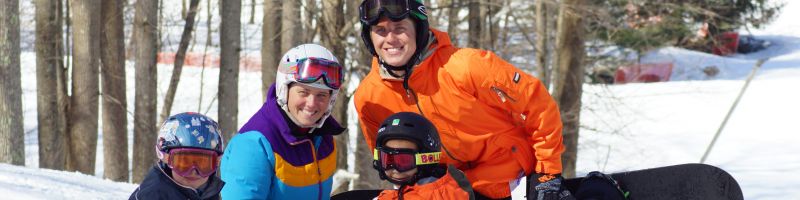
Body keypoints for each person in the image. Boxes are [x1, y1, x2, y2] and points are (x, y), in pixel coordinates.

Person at [353, 0, 571, 199]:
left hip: (515, 181)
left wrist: (547, 173)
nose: (390, 39)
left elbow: (537, 104)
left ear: (418, 30)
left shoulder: (467, 66)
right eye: (380, 31)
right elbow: (387, 159)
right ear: (369, 37)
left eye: (400, 28)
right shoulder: (369, 97)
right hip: (447, 191)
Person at [219, 44, 346, 200]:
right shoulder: (253, 144)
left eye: (321, 95)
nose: (312, 103)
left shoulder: (323, 135)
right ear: (284, 91)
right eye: (303, 92)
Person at [372, 112, 475, 200]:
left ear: (426, 160)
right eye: (388, 160)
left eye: (404, 161)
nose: (395, 169)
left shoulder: (443, 194)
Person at [129, 112, 225, 200]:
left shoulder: (208, 191)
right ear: (165, 158)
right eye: (184, 162)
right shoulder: (152, 196)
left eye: (203, 163)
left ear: (216, 162)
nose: (194, 172)